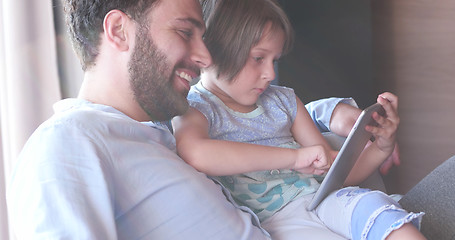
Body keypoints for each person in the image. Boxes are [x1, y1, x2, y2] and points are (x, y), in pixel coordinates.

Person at [6, 0, 271, 239]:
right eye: (185, 32)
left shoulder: (160, 140)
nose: (205, 57)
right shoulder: (67, 141)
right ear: (119, 30)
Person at [172, 0, 425, 239]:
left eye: (274, 60)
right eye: (259, 58)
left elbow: (332, 173)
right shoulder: (196, 108)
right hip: (275, 222)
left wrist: (382, 147)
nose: (270, 74)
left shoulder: (284, 101)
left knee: (376, 207)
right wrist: (294, 158)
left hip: (324, 200)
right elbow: (196, 153)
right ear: (213, 51)